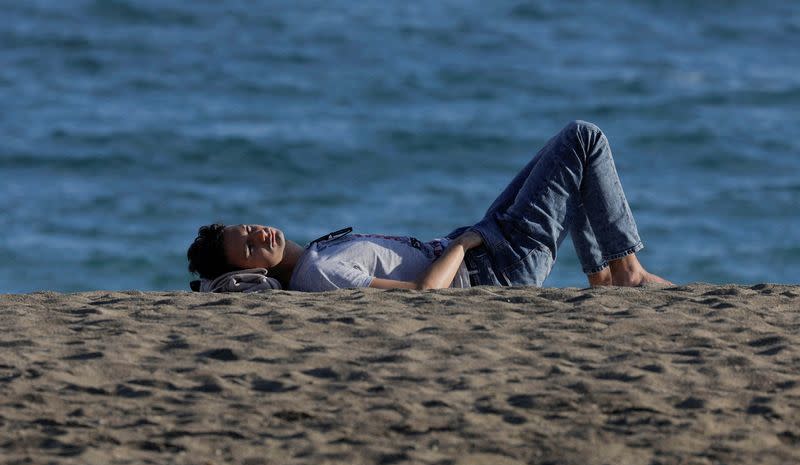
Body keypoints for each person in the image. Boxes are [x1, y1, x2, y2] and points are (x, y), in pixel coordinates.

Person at [187, 120, 671, 292]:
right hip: (494, 267)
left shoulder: (315, 257)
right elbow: (423, 293)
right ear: (255, 272)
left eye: (249, 228)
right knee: (582, 140)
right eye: (250, 248)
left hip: (484, 245)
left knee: (564, 158)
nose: (261, 236)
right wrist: (463, 244)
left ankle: (604, 280)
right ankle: (624, 272)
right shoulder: (320, 273)